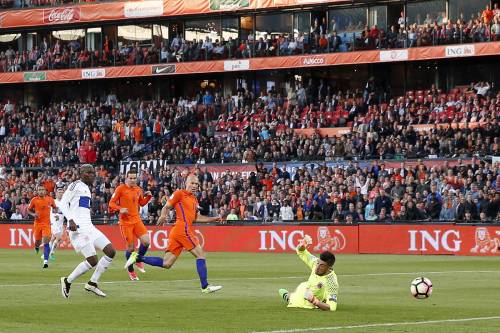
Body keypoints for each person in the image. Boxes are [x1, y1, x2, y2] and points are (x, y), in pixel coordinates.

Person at [131, 175, 223, 293]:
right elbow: (167, 206)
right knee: (200, 255)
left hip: (178, 231)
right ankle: (205, 286)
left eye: (196, 184)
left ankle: (137, 257)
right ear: (186, 183)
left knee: (167, 263)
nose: (195, 186)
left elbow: (196, 217)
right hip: (182, 229)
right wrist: (163, 215)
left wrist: (214, 219)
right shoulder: (179, 193)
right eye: (192, 183)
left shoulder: (194, 199)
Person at [59, 165, 116, 298]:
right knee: (92, 260)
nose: (92, 175)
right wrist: (71, 220)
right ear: (81, 174)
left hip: (89, 227)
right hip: (78, 229)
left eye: (93, 172)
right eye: (89, 172)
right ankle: (67, 281)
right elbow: (62, 203)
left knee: (111, 251)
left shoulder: (86, 189)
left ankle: (92, 283)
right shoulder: (75, 185)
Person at [108, 169, 152, 281]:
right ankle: (131, 270)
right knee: (131, 248)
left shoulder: (138, 189)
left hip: (136, 220)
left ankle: (138, 260)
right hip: (125, 223)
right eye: (130, 178)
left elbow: (141, 203)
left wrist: (148, 197)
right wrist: (120, 209)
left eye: (134, 178)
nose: (132, 180)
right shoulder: (120, 189)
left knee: (146, 241)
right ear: (126, 178)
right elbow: (111, 203)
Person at [278, 236, 339, 311]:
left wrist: (314, 301)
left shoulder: (332, 282)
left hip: (314, 299)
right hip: (306, 289)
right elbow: (301, 252)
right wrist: (302, 245)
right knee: (293, 296)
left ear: (329, 267)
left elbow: (331, 308)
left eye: (322, 265)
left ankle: (288, 296)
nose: (317, 267)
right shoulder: (315, 262)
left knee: (293, 299)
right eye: (318, 263)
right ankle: (288, 296)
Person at [28, 185, 57, 269]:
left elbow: (54, 208)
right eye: (39, 190)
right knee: (38, 242)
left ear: (45, 191)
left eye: (42, 190)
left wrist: (56, 214)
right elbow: (28, 210)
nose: (41, 191)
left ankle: (45, 261)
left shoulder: (50, 199)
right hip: (37, 224)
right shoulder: (34, 200)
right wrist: (33, 214)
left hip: (47, 224)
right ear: (37, 191)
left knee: (46, 242)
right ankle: (36, 246)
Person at [48, 185, 66, 261]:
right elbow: (54, 211)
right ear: (56, 193)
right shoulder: (53, 201)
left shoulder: (64, 203)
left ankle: (45, 254)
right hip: (54, 223)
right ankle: (51, 253)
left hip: (60, 224)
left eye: (62, 192)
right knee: (58, 238)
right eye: (59, 192)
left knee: (52, 239)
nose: (61, 193)